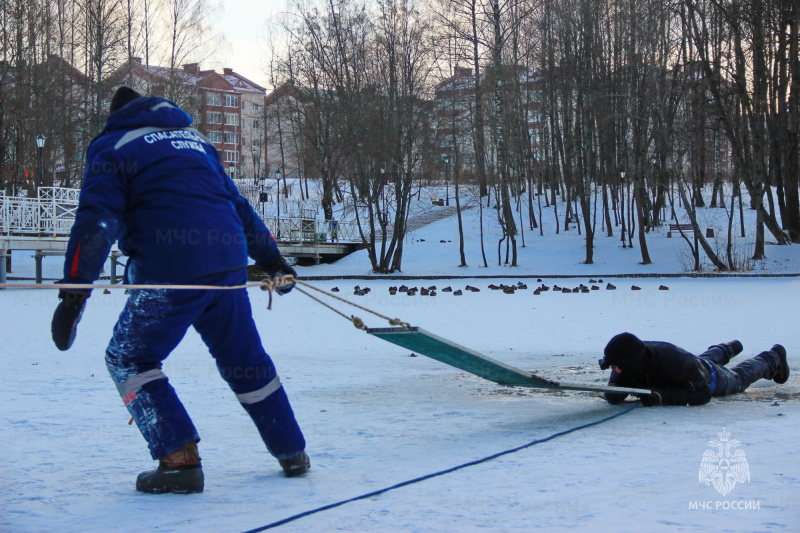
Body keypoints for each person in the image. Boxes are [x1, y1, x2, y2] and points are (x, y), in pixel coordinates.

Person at [51, 86, 310, 494]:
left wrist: (74, 292)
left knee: (129, 359)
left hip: (169, 271)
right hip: (226, 266)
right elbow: (238, 205)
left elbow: (97, 221)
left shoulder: (114, 144)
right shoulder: (197, 142)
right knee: (245, 360)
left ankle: (179, 460)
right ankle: (291, 451)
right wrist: (273, 260)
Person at [599, 333, 789, 406]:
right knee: (700, 361)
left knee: (737, 378)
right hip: (692, 365)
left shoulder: (674, 362)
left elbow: (702, 395)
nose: (615, 370)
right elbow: (618, 380)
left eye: (616, 367)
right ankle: (728, 347)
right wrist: (614, 392)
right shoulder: (628, 359)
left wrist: (661, 397)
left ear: (631, 362)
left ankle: (772, 358)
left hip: (709, 378)